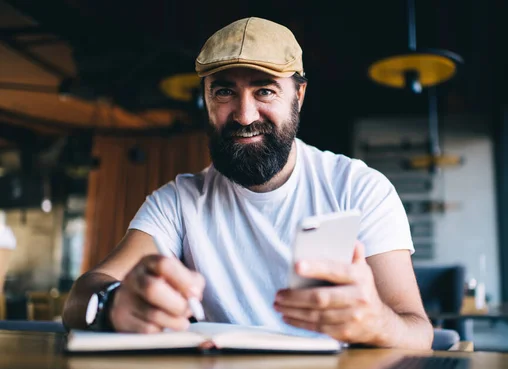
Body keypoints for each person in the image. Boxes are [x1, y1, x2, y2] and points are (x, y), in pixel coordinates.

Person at [62, 17, 433, 349]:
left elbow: (418, 331)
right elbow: (80, 298)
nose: (244, 115)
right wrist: (113, 304)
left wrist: (378, 322)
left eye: (265, 90)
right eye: (224, 91)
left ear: (298, 96)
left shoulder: (359, 188)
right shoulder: (179, 201)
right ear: (206, 98)